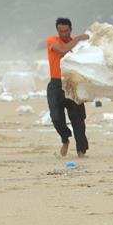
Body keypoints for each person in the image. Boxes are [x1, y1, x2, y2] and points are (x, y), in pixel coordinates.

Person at [47, 17, 90, 157]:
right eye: (61, 31)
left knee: (78, 119)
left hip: (73, 83)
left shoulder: (79, 47)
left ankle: (81, 150)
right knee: (56, 117)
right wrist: (77, 39)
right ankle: (65, 139)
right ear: (57, 31)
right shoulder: (53, 41)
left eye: (66, 31)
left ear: (70, 29)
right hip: (56, 83)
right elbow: (62, 49)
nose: (63, 34)